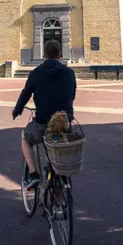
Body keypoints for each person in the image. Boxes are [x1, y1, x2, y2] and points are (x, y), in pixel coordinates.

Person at [12, 39, 76, 188]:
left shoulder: (36, 73)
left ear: (44, 54)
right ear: (60, 54)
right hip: (64, 122)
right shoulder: (69, 72)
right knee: (58, 160)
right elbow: (71, 95)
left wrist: (17, 110)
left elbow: (26, 93)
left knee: (25, 137)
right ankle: (60, 206)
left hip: (43, 122)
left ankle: (34, 174)